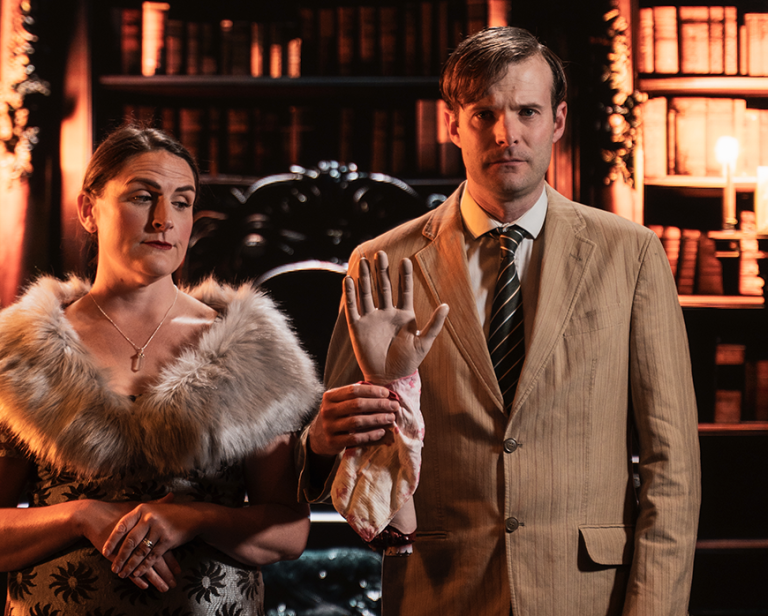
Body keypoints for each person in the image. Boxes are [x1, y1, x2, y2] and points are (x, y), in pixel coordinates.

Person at [299, 26, 701, 616]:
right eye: (483, 113)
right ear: (452, 125)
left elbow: (673, 465)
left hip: (588, 593)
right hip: (439, 591)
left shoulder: (631, 254)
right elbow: (335, 452)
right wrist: (319, 442)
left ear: (557, 121)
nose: (505, 134)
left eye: (526, 112)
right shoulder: (382, 262)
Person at [0, 124, 319, 614]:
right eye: (143, 197)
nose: (164, 219)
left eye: (182, 202)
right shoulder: (23, 350)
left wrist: (194, 518)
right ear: (89, 210)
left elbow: (288, 532)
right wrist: (82, 516)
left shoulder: (250, 348)